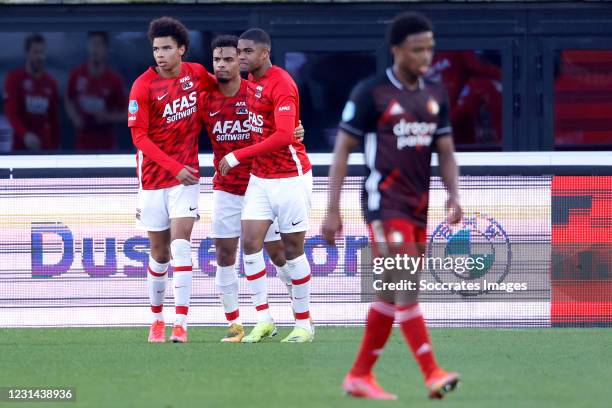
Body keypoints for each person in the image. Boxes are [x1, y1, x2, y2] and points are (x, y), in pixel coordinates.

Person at [322, 12, 462, 400]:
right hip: (384, 206)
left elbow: (446, 151)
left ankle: (359, 375)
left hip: (419, 207)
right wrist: (332, 209)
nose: (426, 56)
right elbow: (341, 152)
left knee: (389, 290)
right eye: (418, 49)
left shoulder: (435, 95)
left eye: (430, 48)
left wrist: (454, 194)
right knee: (405, 283)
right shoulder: (371, 93)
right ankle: (431, 372)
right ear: (397, 50)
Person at [200, 35, 304, 343]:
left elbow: (284, 126)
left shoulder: (256, 88)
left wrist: (297, 129)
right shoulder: (206, 96)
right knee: (224, 252)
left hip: (260, 182)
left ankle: (299, 311)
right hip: (226, 187)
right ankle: (235, 325)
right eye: (217, 59)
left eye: (231, 58)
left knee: (278, 254)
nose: (224, 64)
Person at [127, 16, 216, 344]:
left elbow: (234, 93)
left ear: (182, 49)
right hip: (152, 179)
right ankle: (156, 320)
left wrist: (287, 120)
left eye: (166, 48)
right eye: (155, 48)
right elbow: (139, 138)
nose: (160, 54)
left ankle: (181, 323)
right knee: (159, 252)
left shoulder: (196, 75)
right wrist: (171, 166)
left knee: (181, 245)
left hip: (186, 177)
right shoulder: (143, 85)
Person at [65, 32, 127, 150]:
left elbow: (128, 113)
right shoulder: (76, 75)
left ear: (105, 49)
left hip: (106, 144)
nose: (94, 49)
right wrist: (74, 116)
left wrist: (109, 117)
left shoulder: (114, 80)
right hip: (82, 142)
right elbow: (68, 98)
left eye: (98, 45)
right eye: (92, 45)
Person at [4, 34, 60, 151]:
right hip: (20, 146)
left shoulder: (51, 83)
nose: (39, 56)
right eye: (35, 52)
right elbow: (11, 113)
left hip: (45, 147)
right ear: (27, 53)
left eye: (42, 52)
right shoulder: (14, 78)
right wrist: (25, 134)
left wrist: (55, 147)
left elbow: (54, 119)